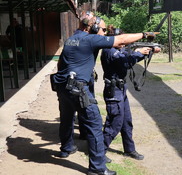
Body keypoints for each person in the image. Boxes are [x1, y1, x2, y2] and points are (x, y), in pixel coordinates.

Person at [52, 11, 157, 175]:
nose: (103, 33)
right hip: (78, 88)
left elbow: (61, 63)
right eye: (101, 29)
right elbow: (121, 39)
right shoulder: (90, 38)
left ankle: (66, 148)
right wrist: (145, 34)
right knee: (94, 125)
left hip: (63, 86)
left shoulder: (71, 39)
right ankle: (97, 168)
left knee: (66, 119)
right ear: (92, 28)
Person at [100, 25, 161, 163]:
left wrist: (148, 51)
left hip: (121, 89)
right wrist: (139, 53)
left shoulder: (115, 49)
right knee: (114, 122)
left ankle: (129, 149)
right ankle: (100, 152)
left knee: (126, 122)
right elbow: (126, 62)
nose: (123, 44)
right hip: (113, 90)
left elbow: (127, 57)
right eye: (121, 41)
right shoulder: (109, 51)